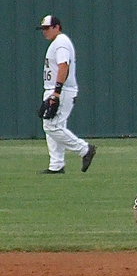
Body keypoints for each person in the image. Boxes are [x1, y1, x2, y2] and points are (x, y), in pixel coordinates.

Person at [36, 15, 96, 174]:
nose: (45, 32)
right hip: (55, 89)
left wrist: (56, 92)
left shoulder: (61, 42)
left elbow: (64, 66)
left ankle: (84, 149)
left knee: (51, 126)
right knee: (54, 125)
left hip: (61, 90)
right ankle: (56, 165)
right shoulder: (57, 43)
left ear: (57, 27)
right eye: (43, 29)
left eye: (47, 28)